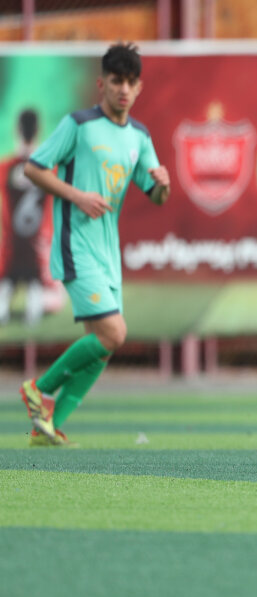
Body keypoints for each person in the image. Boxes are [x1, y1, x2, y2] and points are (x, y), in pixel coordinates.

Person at [18, 42, 170, 446]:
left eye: (131, 82)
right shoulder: (79, 125)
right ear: (102, 84)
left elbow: (155, 194)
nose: (124, 89)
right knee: (114, 333)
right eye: (116, 81)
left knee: (102, 345)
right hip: (76, 245)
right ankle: (39, 389)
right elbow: (34, 168)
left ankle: (47, 428)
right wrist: (77, 196)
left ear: (139, 88)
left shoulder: (139, 136)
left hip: (107, 252)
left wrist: (163, 185)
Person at [1, 109, 52, 326]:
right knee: (44, 298)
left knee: (6, 285)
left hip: (11, 246)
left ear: (17, 130)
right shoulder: (48, 167)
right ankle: (34, 312)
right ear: (38, 130)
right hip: (37, 249)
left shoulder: (6, 167)